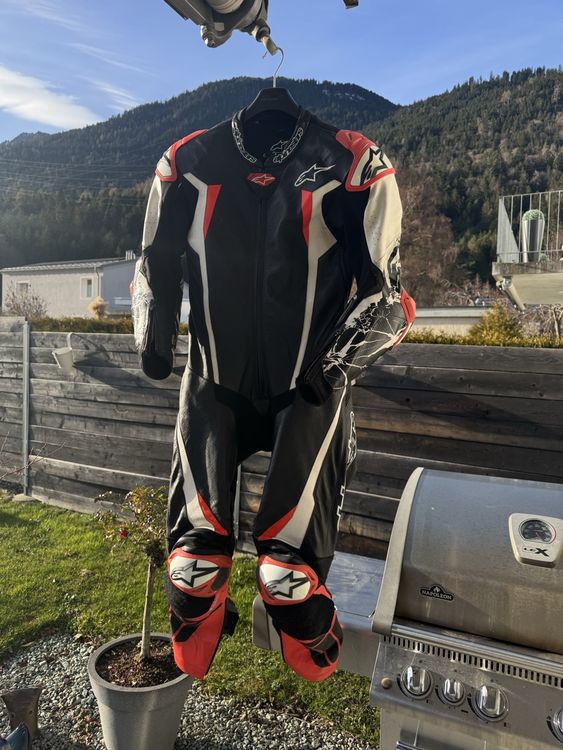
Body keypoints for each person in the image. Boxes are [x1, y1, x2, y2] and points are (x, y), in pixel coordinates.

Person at [131, 101, 415, 682]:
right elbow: (391, 300)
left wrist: (154, 343)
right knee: (239, 571)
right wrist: (333, 368)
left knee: (241, 569)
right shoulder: (345, 161)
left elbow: (389, 300)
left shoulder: (344, 162)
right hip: (265, 386)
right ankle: (286, 645)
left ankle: (243, 642)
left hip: (262, 384)